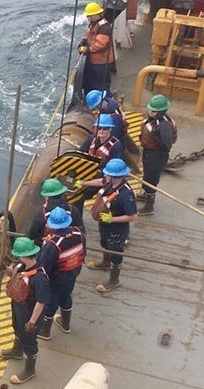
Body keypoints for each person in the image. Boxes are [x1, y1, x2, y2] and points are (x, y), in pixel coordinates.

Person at [0, 237, 51, 384]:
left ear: (23, 255)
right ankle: (17, 351)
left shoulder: (39, 278)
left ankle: (29, 370)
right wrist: (5, 268)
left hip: (30, 312)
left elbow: (41, 301)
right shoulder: (21, 265)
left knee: (29, 339)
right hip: (18, 305)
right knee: (17, 328)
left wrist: (32, 321)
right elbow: (14, 274)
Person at [83, 158, 138, 292]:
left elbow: (132, 216)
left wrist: (112, 219)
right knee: (105, 243)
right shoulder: (109, 183)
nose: (105, 176)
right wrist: (85, 183)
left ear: (115, 177)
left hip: (117, 228)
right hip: (105, 223)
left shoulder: (126, 195)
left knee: (115, 252)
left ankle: (114, 280)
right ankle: (106, 262)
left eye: (107, 174)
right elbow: (100, 181)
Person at [37, 207, 85, 340]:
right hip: (72, 274)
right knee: (66, 297)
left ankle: (45, 331)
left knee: (50, 303)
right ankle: (65, 324)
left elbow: (44, 266)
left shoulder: (52, 244)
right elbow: (83, 251)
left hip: (56, 279)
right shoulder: (78, 233)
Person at [74, 114, 124, 213]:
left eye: (105, 129)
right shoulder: (92, 138)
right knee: (75, 196)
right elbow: (80, 153)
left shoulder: (116, 146)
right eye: (99, 128)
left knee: (81, 196)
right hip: (88, 172)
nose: (101, 131)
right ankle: (77, 217)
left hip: (104, 177)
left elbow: (113, 171)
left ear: (110, 129)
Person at [139, 94, 177, 215]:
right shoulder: (154, 120)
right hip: (149, 152)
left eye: (154, 111)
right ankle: (146, 195)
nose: (150, 112)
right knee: (147, 175)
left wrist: (156, 137)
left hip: (157, 155)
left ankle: (149, 207)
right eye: (150, 109)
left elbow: (167, 145)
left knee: (151, 179)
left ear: (161, 111)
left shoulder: (165, 125)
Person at [27, 178, 84, 248]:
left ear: (46, 196)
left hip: (46, 248)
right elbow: (81, 230)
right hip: (68, 247)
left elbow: (32, 234)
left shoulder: (41, 212)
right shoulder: (73, 210)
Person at [80, 2, 116, 96]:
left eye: (89, 15)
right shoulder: (94, 24)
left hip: (102, 61)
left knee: (102, 83)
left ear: (95, 15)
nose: (87, 17)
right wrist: (83, 41)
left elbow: (101, 44)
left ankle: (107, 98)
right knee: (95, 81)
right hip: (96, 60)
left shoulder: (104, 28)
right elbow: (89, 33)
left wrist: (87, 49)